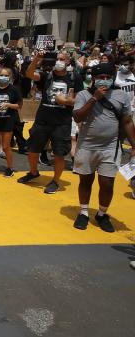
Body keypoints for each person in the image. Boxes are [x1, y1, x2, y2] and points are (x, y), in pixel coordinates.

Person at [72, 63, 135, 232]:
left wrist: (134, 145)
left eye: (108, 78)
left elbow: (127, 121)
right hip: (86, 146)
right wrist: (95, 98)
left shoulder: (121, 96)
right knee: (86, 180)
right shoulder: (84, 95)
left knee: (107, 183)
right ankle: (84, 212)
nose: (105, 81)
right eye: (101, 78)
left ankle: (101, 214)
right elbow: (77, 117)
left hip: (110, 147)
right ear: (93, 79)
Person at [19, 51, 83, 194]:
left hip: (62, 122)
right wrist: (37, 58)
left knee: (59, 153)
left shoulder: (74, 78)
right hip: (42, 120)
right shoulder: (47, 75)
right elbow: (29, 74)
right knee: (32, 149)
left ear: (67, 62)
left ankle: (55, 181)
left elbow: (79, 99)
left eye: (61, 59)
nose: (58, 62)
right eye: (56, 59)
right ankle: (33, 172)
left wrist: (66, 101)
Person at [0, 67, 22, 177]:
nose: (4, 77)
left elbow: (19, 106)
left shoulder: (14, 90)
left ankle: (10, 167)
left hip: (8, 120)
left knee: (6, 146)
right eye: (2, 75)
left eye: (6, 76)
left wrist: (8, 105)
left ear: (10, 77)